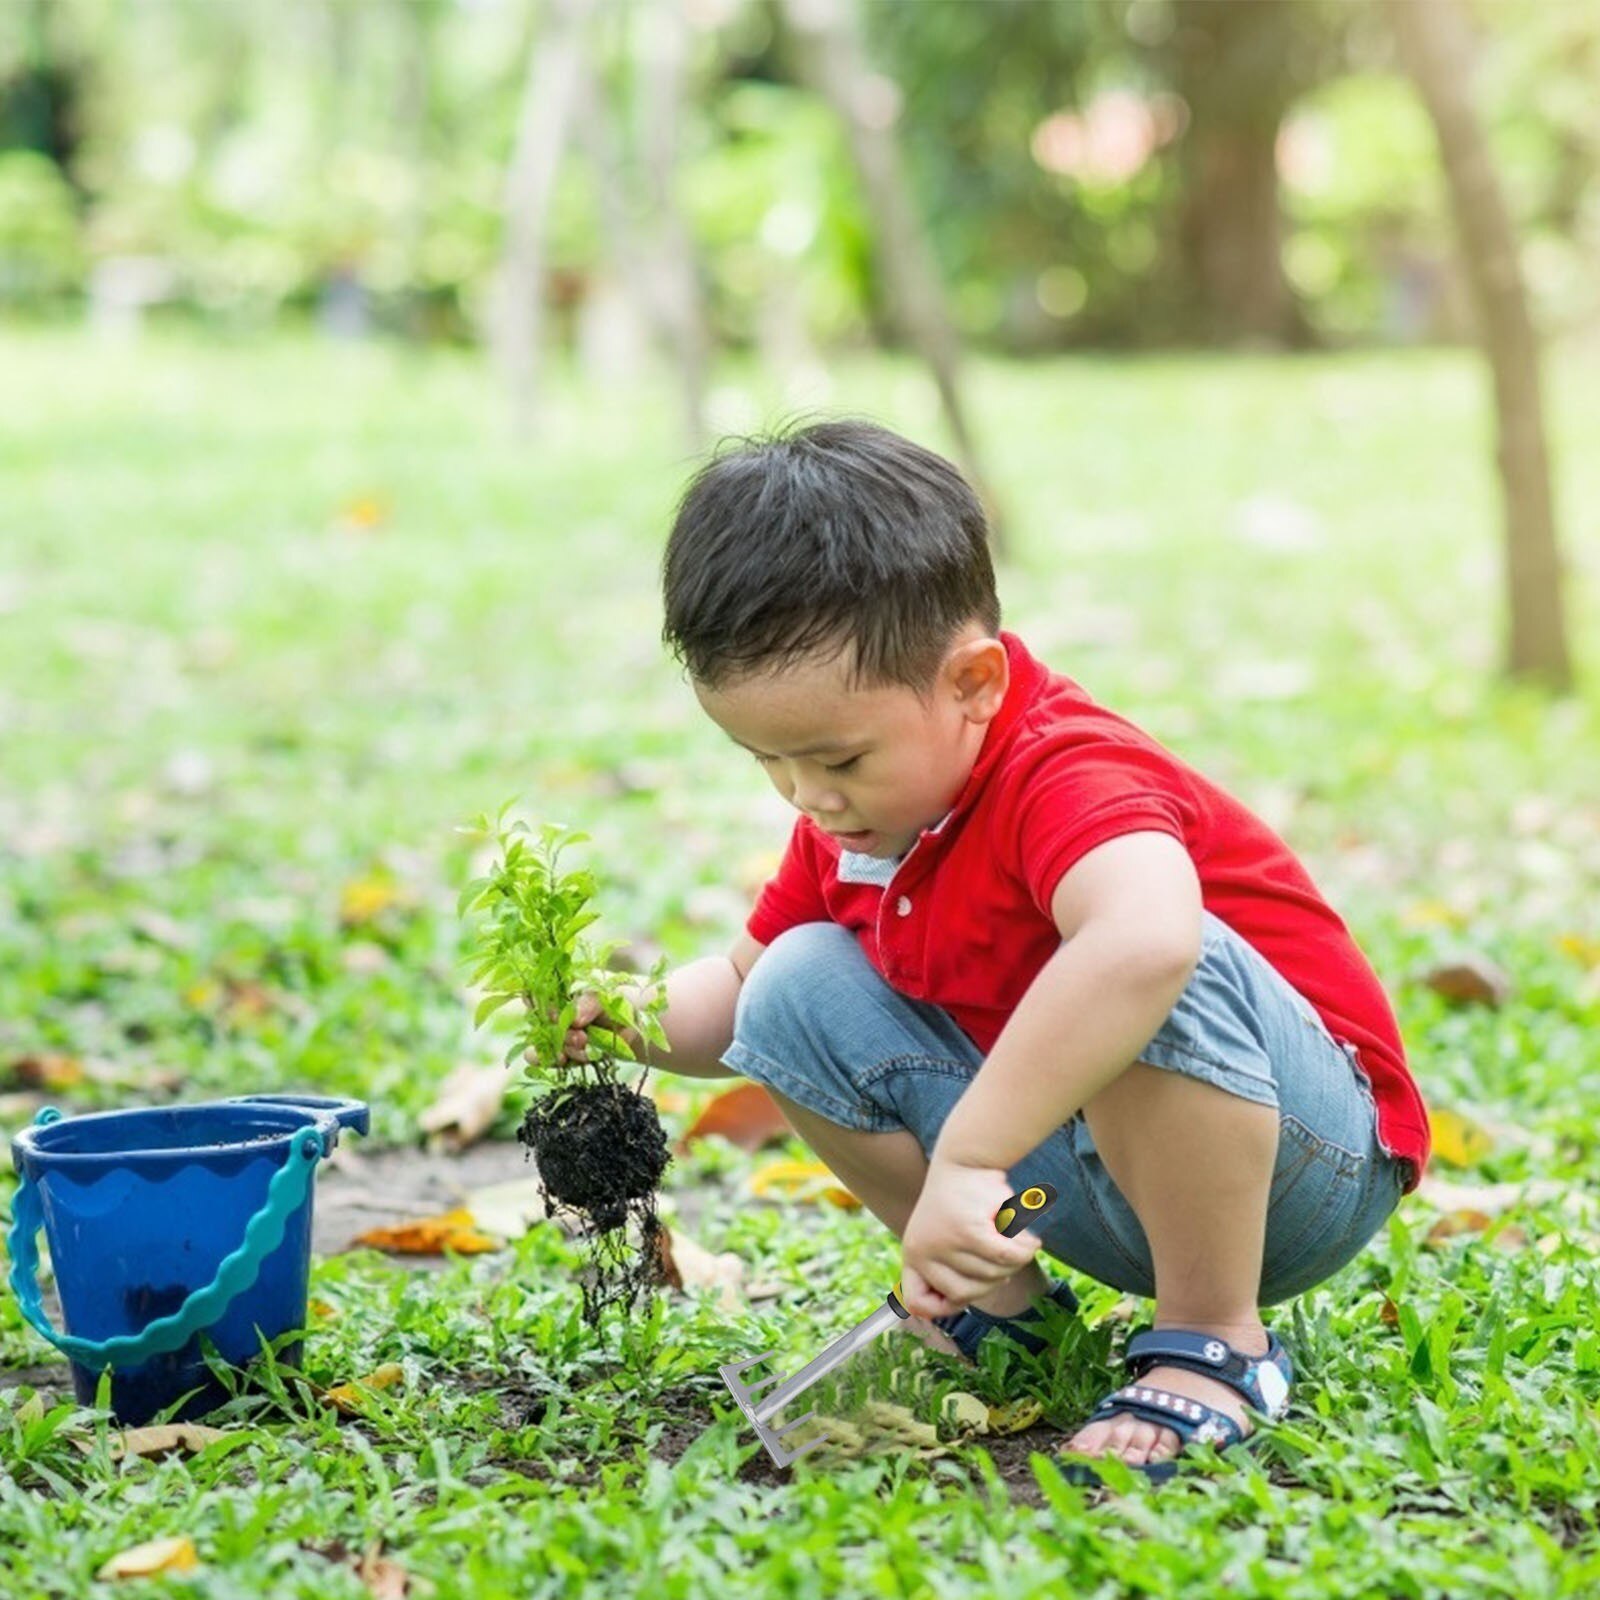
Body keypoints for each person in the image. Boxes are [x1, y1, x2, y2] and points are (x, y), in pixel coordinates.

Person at [560, 418, 1426, 1482]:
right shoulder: (860, 824)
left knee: (1150, 953)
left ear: (973, 683)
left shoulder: (1067, 773)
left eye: (837, 759)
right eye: (768, 761)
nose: (806, 797)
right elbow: (739, 997)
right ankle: (1004, 1315)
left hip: (1297, 1167)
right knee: (789, 980)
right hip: (1072, 1189)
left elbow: (1150, 944)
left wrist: (970, 1157)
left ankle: (1214, 1340)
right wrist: (627, 1017)